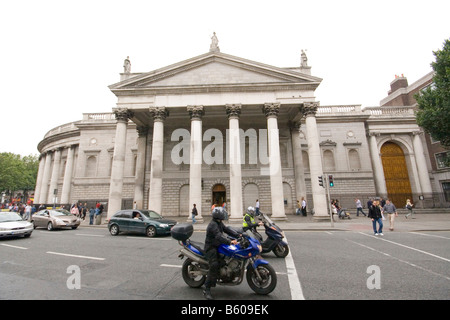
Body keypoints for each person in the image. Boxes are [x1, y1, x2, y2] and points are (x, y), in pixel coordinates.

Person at [203, 207, 240, 300]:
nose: (224, 215)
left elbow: (226, 229)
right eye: (222, 214)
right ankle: (207, 289)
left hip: (218, 246)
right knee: (214, 265)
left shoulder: (219, 223)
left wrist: (238, 234)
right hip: (211, 248)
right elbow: (218, 236)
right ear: (218, 215)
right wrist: (230, 242)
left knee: (225, 259)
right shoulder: (213, 225)